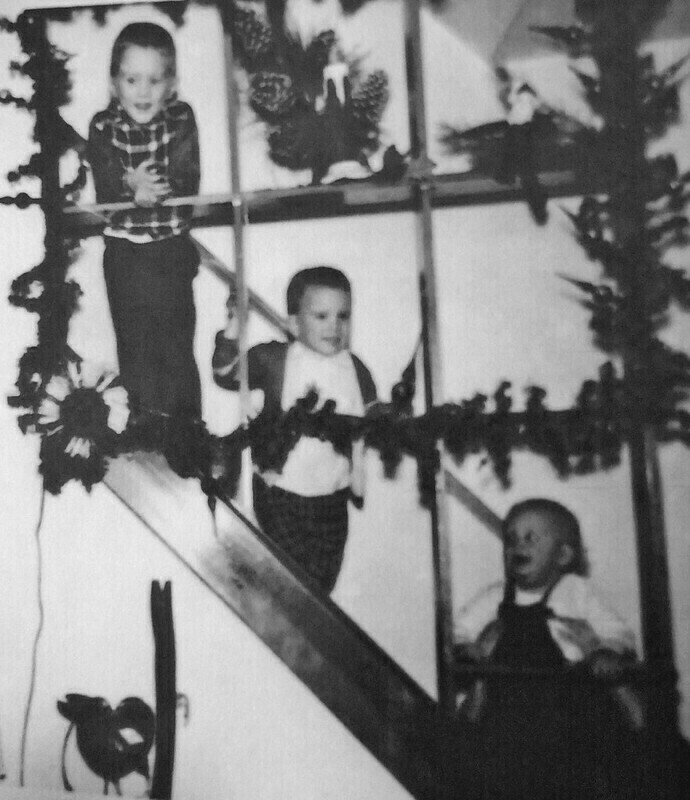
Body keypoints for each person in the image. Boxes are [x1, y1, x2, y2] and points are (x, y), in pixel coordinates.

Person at [454, 498, 646, 800]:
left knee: (576, 771)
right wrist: (468, 648)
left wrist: (606, 651)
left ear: (564, 554)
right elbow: (459, 628)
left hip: (566, 708)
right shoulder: (495, 596)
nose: (518, 546)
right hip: (509, 712)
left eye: (531, 538)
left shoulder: (576, 591)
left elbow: (618, 632)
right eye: (511, 539)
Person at [212, 266, 377, 594]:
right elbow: (226, 373)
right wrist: (234, 326)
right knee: (293, 583)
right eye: (321, 316)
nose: (335, 326)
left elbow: (376, 420)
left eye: (343, 316)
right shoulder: (276, 359)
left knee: (321, 588)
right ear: (293, 323)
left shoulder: (355, 369)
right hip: (281, 494)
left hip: (332, 498)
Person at [87, 22, 201, 421]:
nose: (143, 91)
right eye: (132, 78)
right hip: (125, 254)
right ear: (114, 82)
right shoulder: (102, 126)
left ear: (172, 83)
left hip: (170, 249)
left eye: (155, 79)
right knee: (136, 348)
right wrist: (127, 187)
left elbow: (187, 180)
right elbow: (104, 189)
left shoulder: (181, 119)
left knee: (177, 348)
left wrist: (155, 187)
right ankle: (144, 432)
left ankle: (188, 439)